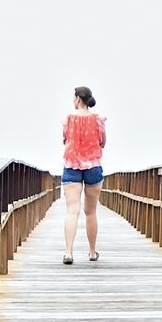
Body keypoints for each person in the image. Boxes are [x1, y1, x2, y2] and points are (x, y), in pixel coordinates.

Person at [61, 86, 107, 264]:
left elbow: (64, 138)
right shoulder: (98, 120)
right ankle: (92, 252)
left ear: (78, 99)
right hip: (93, 167)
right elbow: (103, 142)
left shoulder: (68, 119)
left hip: (72, 165)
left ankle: (68, 253)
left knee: (72, 211)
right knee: (91, 212)